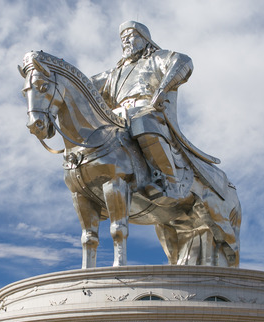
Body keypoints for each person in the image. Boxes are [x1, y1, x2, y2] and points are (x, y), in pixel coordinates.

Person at [92, 21, 215, 200]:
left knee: (142, 121)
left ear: (144, 39)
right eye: (123, 38)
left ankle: (170, 180)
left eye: (131, 36)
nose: (126, 41)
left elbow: (183, 61)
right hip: (117, 117)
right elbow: (84, 85)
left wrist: (162, 90)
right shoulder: (114, 74)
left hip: (146, 110)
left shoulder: (156, 58)